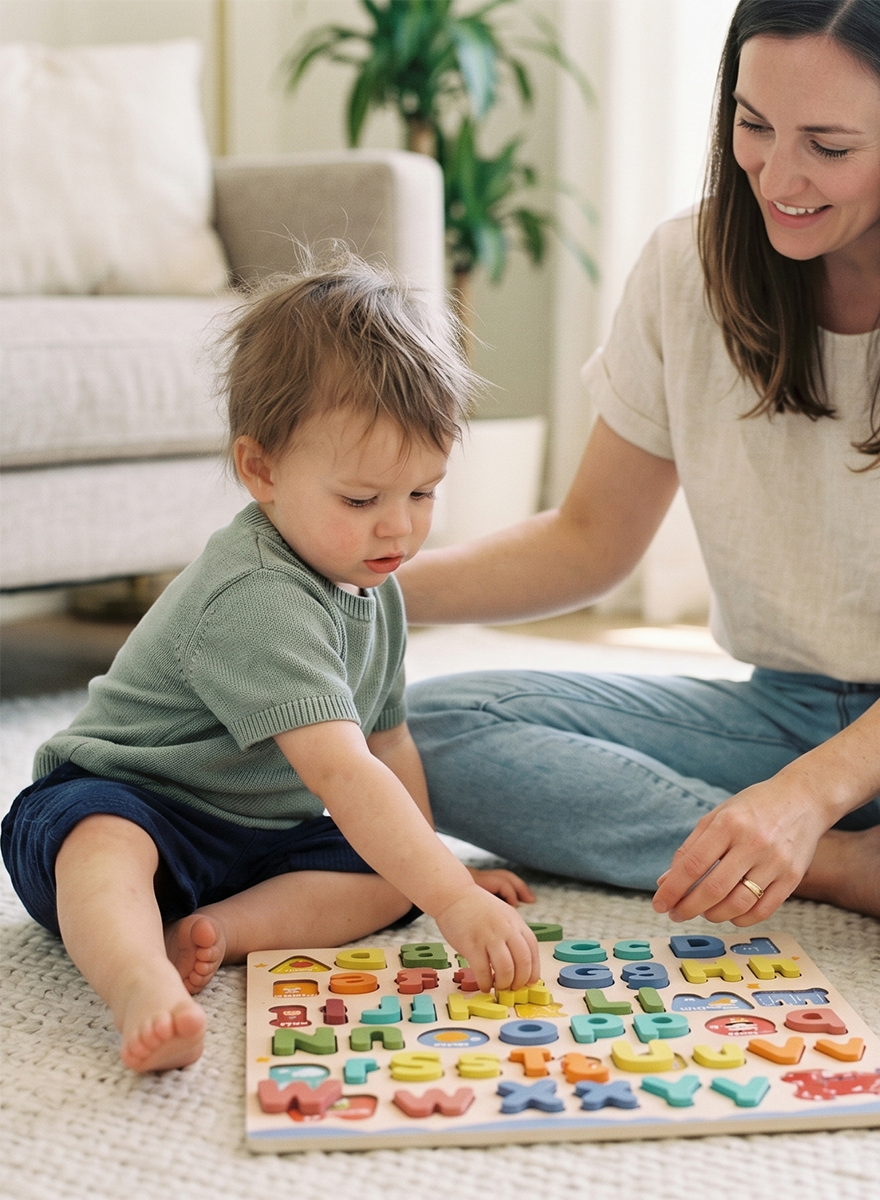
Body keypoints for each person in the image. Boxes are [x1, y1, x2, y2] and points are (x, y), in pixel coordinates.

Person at [397, 0, 880, 998]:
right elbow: (591, 539)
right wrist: (370, 590)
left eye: (828, 144)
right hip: (790, 706)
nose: (776, 177)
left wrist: (804, 794)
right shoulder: (683, 270)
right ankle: (843, 862)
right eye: (753, 124)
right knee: (413, 739)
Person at [0, 261, 540, 1073]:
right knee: (102, 841)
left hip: (254, 838)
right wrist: (454, 900)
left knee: (383, 878)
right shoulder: (257, 592)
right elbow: (345, 773)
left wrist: (435, 875)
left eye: (423, 493)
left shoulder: (374, 586)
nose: (397, 529)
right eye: (361, 500)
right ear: (262, 471)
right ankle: (140, 979)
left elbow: (389, 747)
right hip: (130, 801)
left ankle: (215, 931)